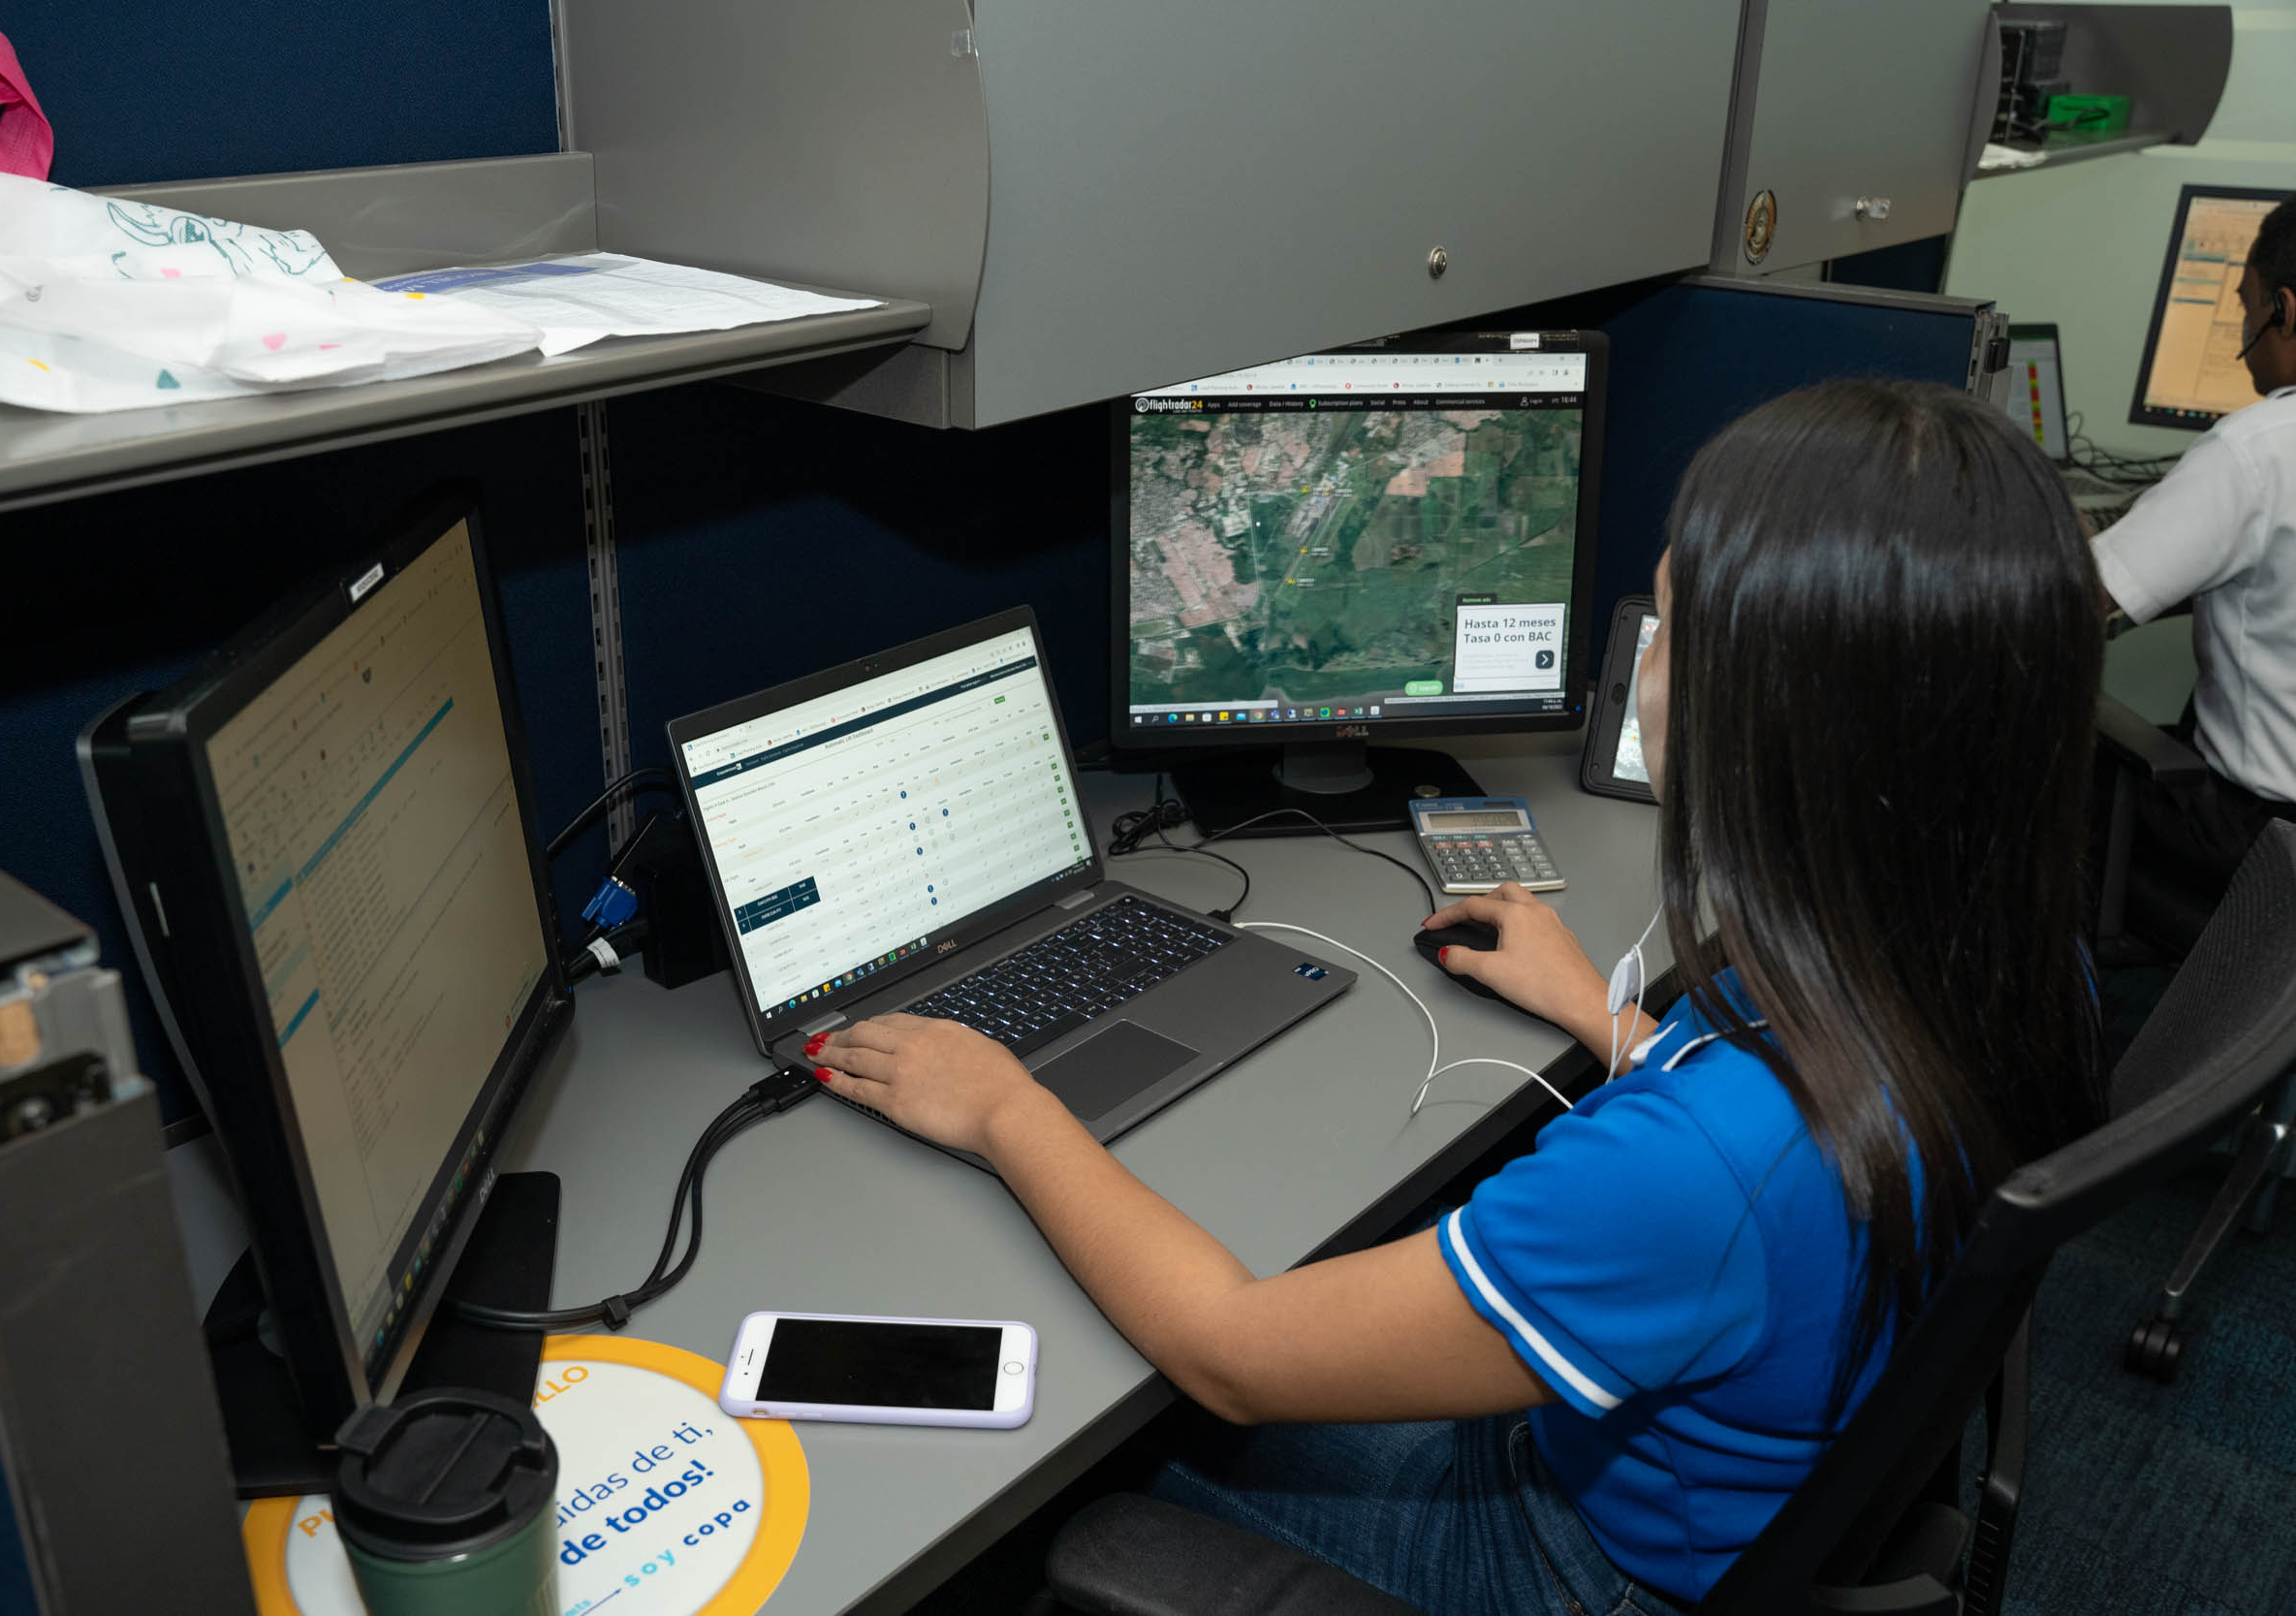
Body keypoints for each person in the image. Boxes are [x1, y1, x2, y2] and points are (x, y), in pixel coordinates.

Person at [805, 381, 2109, 1615]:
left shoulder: (1694, 1168)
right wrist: (1613, 1024)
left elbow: (1233, 1348)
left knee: (1100, 1447)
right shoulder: (2008, 963)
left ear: (1765, 714)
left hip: (1565, 1557)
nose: (1641, 660)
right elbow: (1783, 1172)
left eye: (1666, 624)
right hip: (1732, 1477)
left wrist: (1003, 1105)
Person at [2093, 192, 2296, 900]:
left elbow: (2083, 599)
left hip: (2261, 850)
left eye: (2247, 306)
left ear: (2285, 311)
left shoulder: (2257, 451)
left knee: (2048, 788)